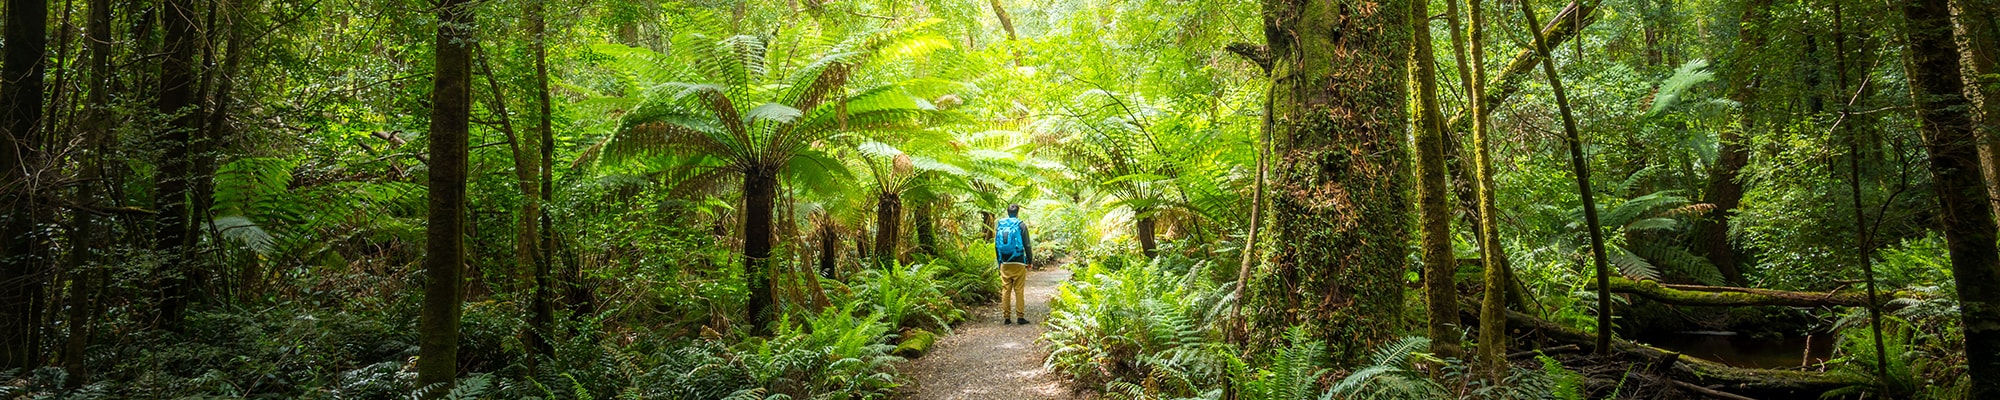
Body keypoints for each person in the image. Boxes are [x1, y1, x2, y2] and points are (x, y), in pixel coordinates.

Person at [994, 204, 1034, 325]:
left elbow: (996, 245)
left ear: (1008, 212)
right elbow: (1027, 244)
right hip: (1019, 261)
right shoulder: (1021, 225)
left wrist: (999, 262)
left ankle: (1006, 317)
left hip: (1005, 262)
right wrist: (1030, 260)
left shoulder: (1000, 225)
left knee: (1006, 290)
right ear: (1017, 212)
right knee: (1019, 290)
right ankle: (1020, 317)